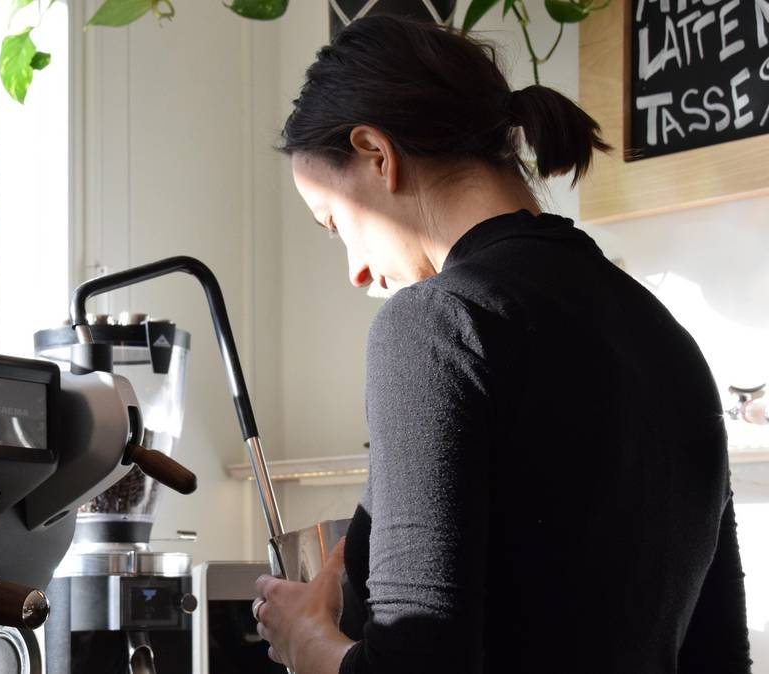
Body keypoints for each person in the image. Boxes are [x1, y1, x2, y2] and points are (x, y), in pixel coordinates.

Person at [251, 15, 752, 674]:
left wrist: (305, 639)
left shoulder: (437, 322)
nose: (358, 272)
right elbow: (720, 656)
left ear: (377, 153)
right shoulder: (666, 337)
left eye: (335, 222)